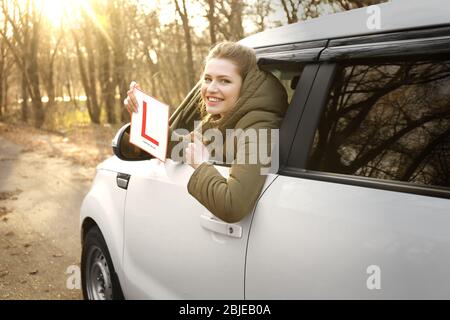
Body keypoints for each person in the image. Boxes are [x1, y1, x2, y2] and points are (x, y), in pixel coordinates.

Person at [124, 41, 288, 223]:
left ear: (245, 85)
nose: (211, 89)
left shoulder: (260, 126)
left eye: (224, 81)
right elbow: (181, 148)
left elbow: (233, 205)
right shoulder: (221, 119)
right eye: (208, 79)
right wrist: (141, 112)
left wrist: (201, 164)